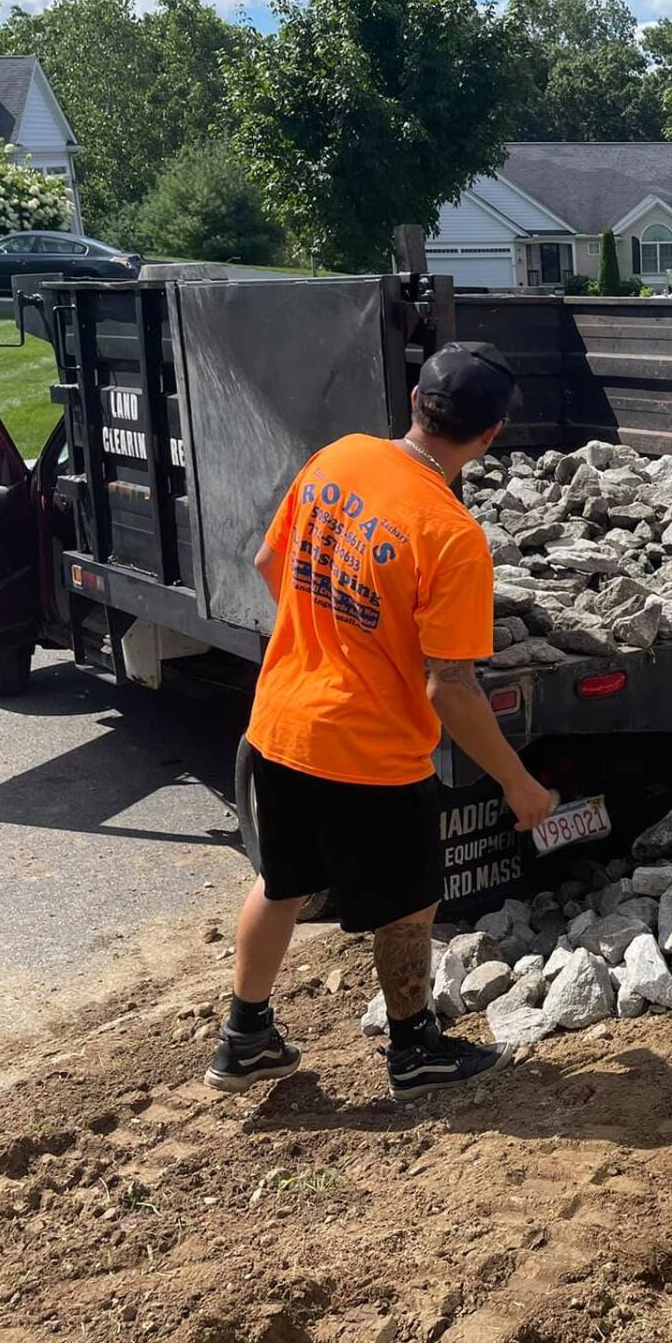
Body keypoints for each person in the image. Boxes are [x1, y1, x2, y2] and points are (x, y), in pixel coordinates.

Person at [205, 342, 557, 1103]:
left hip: (280, 722)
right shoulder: (451, 534)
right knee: (409, 905)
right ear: (490, 435)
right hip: (368, 753)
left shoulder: (340, 458)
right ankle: (415, 1051)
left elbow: (272, 564)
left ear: (415, 403)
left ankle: (246, 1037)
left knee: (282, 882)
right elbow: (453, 690)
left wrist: (327, 642)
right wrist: (519, 784)